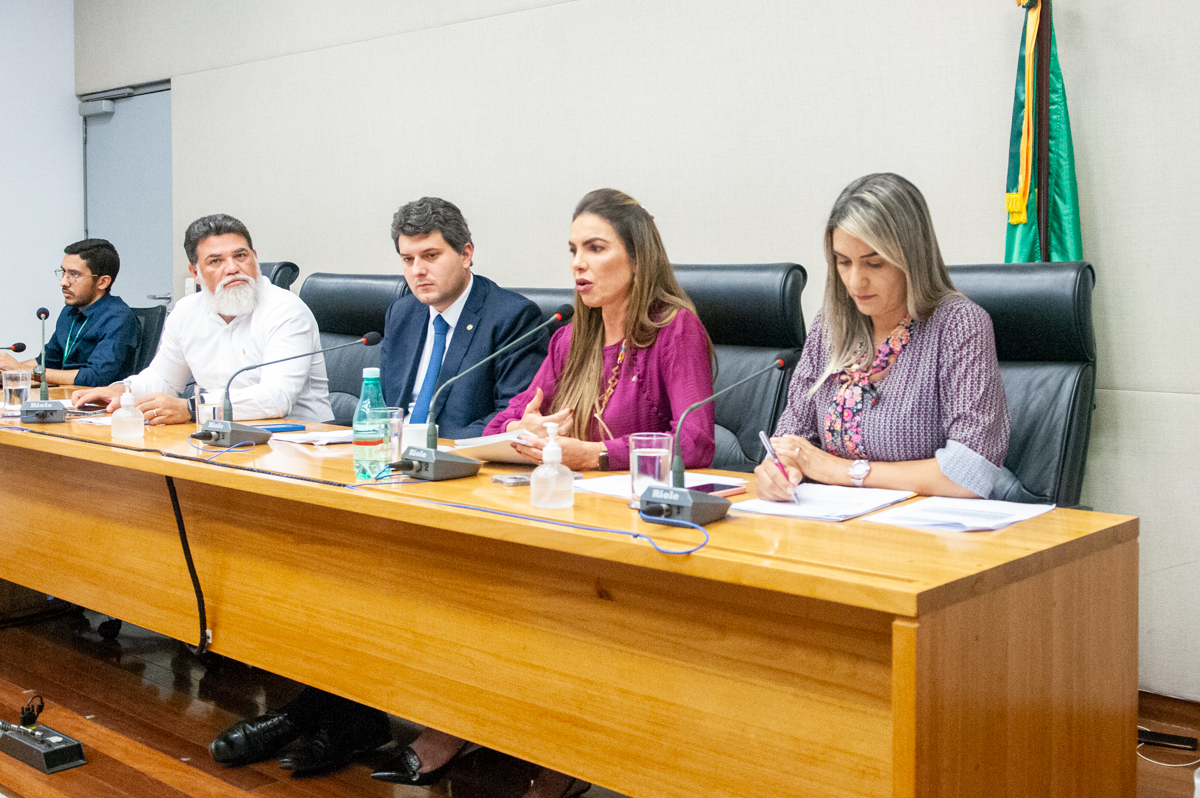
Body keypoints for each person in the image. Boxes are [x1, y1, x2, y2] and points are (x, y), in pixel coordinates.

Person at [364, 188, 715, 798]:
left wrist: (598, 453)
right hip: (560, 511)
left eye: (596, 249)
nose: (578, 264)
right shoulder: (569, 335)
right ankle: (475, 720)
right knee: (473, 580)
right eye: (573, 250)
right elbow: (509, 422)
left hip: (632, 525)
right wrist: (523, 429)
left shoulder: (672, 330)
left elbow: (697, 442)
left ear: (638, 257)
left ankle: (565, 748)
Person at [206, 197, 549, 776]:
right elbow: (390, 407)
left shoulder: (511, 316)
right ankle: (331, 711)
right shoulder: (404, 313)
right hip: (392, 477)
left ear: (466, 253)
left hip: (464, 488)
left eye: (432, 255)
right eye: (408, 259)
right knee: (322, 561)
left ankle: (324, 716)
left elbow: (503, 424)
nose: (419, 271)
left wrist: (413, 442)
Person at [755, 172, 1009, 502]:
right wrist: (778, 470)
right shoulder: (830, 325)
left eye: (874, 263)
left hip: (925, 538)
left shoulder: (959, 325)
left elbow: (969, 473)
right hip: (833, 526)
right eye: (843, 262)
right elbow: (791, 438)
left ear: (912, 259)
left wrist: (839, 471)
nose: (855, 281)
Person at [72, 214, 332, 424]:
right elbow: (163, 379)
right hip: (221, 436)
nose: (232, 268)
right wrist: (123, 391)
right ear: (195, 272)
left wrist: (192, 408)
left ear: (255, 257)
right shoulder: (186, 311)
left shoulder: (286, 310)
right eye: (215, 261)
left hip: (299, 443)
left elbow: (277, 397)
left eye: (240, 256)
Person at [0, 239, 139, 387]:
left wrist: (23, 370)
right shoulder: (70, 311)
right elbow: (48, 360)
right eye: (63, 272)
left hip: (96, 403)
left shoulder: (118, 317)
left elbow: (96, 377)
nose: (63, 282)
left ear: (102, 282)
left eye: (74, 274)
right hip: (65, 395)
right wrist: (7, 370)